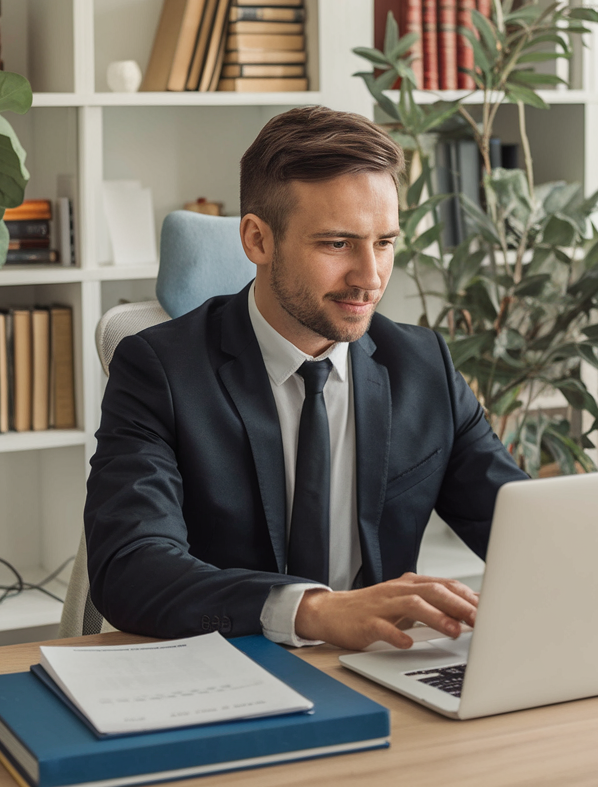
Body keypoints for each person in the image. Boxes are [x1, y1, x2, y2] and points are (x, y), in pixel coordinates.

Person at [86, 106, 527, 651]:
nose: (370, 278)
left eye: (384, 242)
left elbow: (525, 534)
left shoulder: (422, 365)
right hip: (229, 669)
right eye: (337, 244)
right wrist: (313, 611)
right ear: (257, 240)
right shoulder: (159, 370)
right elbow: (130, 568)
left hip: (383, 674)